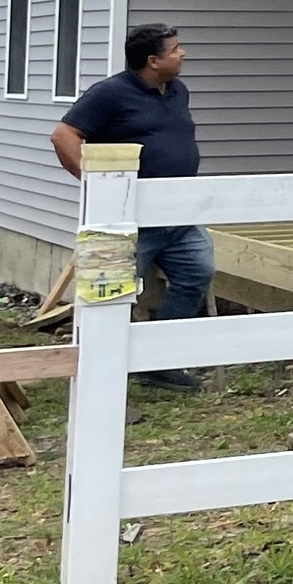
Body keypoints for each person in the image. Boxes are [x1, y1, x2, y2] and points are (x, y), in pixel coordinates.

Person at [52, 23, 210, 388]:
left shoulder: (177, 91)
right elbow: (63, 135)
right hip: (130, 220)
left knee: (196, 274)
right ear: (153, 61)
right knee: (113, 294)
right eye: (175, 49)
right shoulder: (110, 94)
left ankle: (158, 362)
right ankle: (99, 376)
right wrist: (96, 185)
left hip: (180, 215)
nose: (182, 53)